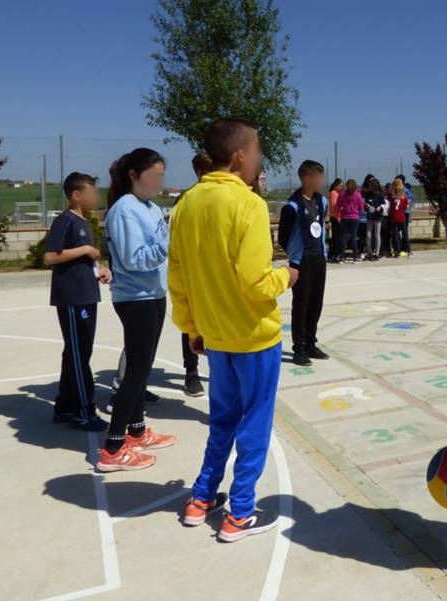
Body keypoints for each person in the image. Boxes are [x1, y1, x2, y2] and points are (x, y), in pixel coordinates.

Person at [169, 118, 299, 541]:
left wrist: (192, 327)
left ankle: (202, 497)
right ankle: (241, 510)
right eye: (257, 150)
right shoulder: (249, 205)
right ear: (240, 155)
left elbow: (179, 276)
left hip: (215, 335)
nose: (260, 158)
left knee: (222, 419)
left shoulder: (186, 203)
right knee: (255, 423)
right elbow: (255, 281)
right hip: (253, 336)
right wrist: (287, 277)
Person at [99, 148, 176, 473]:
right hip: (135, 298)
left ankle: (137, 430)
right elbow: (133, 259)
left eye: (162, 175)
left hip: (154, 294)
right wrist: (170, 243)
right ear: (133, 175)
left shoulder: (151, 208)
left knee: (142, 368)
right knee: (136, 372)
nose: (159, 181)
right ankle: (113, 448)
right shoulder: (124, 210)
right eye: (154, 175)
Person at [44, 172, 110, 432]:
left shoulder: (84, 221)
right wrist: (85, 251)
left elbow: (86, 258)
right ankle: (83, 411)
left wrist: (99, 267)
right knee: (79, 355)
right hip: (72, 298)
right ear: (76, 195)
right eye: (92, 192)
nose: (96, 196)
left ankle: (63, 406)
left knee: (76, 352)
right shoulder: (66, 220)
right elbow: (51, 256)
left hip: (87, 294)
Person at [279, 160, 331, 366]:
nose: (322, 181)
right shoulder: (292, 207)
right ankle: (298, 348)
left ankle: (311, 342)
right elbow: (283, 237)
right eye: (319, 177)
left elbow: (321, 226)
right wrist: (295, 255)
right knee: (301, 305)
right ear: (307, 178)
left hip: (319, 258)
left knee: (316, 303)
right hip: (301, 261)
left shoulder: (322, 201)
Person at [174, 152, 213, 397]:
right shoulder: (186, 200)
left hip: (216, 273)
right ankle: (191, 372)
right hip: (194, 272)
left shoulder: (225, 197)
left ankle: (220, 371)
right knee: (191, 325)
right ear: (198, 173)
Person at [338, 179, 363, 263]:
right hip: (354, 218)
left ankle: (342, 257)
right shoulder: (358, 195)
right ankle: (355, 257)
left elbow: (338, 205)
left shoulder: (342, 194)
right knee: (353, 238)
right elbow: (361, 207)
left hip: (344, 217)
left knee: (344, 237)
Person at [363, 178, 387, 261]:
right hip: (369, 217)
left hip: (378, 217)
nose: (369, 187)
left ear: (374, 186)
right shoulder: (368, 194)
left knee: (377, 234)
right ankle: (369, 252)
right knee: (368, 235)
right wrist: (367, 206)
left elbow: (384, 205)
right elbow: (365, 204)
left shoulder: (380, 194)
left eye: (370, 186)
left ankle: (376, 253)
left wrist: (380, 207)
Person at [388, 179, 409, 257]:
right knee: (405, 234)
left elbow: (388, 205)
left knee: (395, 235)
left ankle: (397, 251)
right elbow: (406, 207)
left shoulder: (391, 195)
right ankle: (408, 250)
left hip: (393, 217)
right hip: (402, 217)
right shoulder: (404, 196)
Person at [395, 174, 413, 256]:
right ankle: (402, 249)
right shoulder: (403, 190)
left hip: (402, 213)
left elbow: (409, 202)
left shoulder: (404, 191)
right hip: (402, 213)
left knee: (402, 232)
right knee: (401, 232)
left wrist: (406, 210)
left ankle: (405, 249)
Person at [327, 178, 344, 263]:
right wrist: (338, 217)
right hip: (336, 218)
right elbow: (334, 206)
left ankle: (335, 254)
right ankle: (336, 254)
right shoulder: (334, 193)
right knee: (337, 237)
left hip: (336, 217)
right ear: (336, 185)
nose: (342, 187)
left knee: (337, 237)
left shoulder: (336, 193)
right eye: (340, 185)